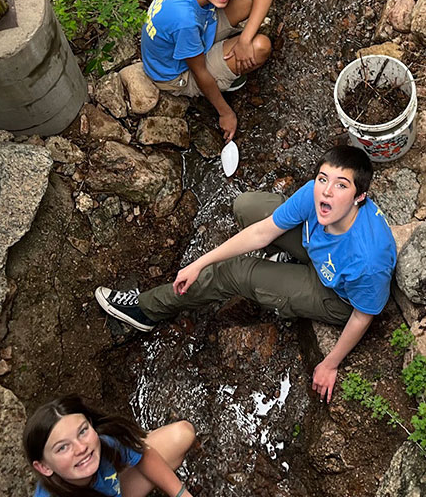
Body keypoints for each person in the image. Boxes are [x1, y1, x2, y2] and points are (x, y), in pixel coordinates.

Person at [95, 146, 396, 401]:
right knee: (248, 206)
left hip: (335, 295)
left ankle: (148, 309)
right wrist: (199, 262)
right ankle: (288, 264)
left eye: (342, 185)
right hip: (320, 255)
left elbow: (362, 315)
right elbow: (263, 231)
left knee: (236, 273)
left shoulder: (369, 259)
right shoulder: (317, 195)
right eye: (322, 179)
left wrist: (330, 364)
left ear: (360, 197)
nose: (327, 191)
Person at [140, 0, 276, 141]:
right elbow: (200, 71)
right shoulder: (185, 21)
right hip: (177, 73)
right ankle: (229, 77)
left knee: (250, 2)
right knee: (261, 46)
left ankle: (231, 46)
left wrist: (244, 40)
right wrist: (226, 113)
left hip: (200, 29)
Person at [23, 395, 212, 497]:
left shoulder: (100, 445)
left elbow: (144, 454)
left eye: (82, 431)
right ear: (44, 467)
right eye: (62, 447)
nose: (81, 448)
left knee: (181, 435)